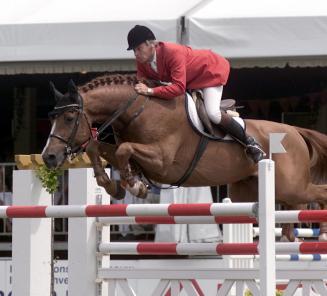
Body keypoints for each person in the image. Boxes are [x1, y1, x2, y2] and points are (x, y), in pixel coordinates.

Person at [126, 25, 265, 163]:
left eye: (138, 48)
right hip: (190, 81)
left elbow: (178, 88)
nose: (136, 54)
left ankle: (250, 142)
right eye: (134, 50)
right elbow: (142, 84)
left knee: (213, 114)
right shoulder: (142, 62)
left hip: (209, 72)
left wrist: (150, 91)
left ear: (151, 44)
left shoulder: (172, 52)